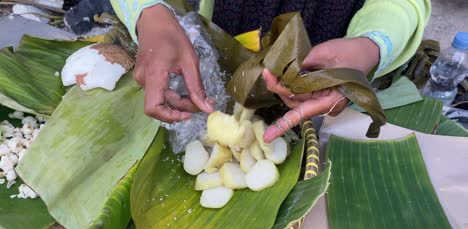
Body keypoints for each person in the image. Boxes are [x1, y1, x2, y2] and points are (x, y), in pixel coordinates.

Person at [110, 0, 430, 142]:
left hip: (323, 72)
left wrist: (372, 45)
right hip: (224, 34)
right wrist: (146, 10)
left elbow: (404, 4)